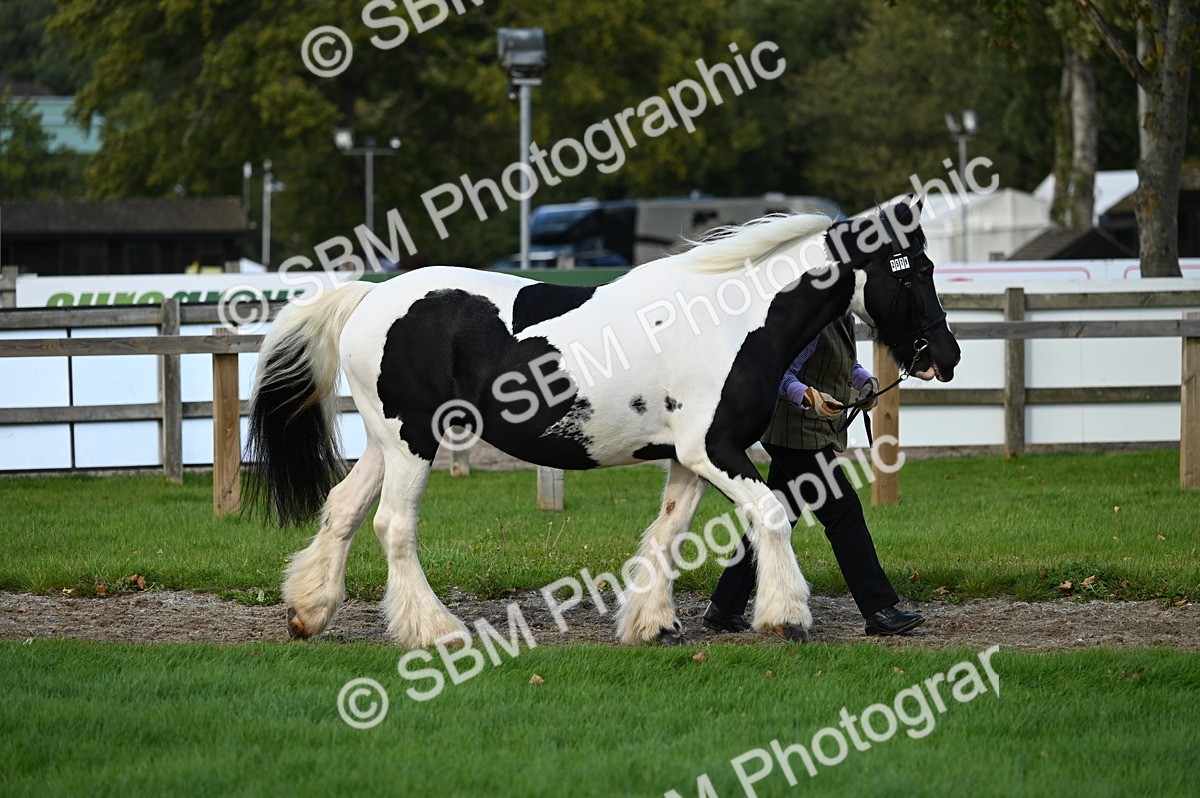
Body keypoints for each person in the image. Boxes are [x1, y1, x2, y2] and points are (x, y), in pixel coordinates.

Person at [703, 314, 924, 637]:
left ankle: (724, 606)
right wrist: (808, 396)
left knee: (775, 516)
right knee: (843, 512)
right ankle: (879, 609)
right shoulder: (816, 317)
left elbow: (842, 363)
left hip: (802, 434)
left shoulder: (840, 313)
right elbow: (780, 374)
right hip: (796, 435)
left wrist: (864, 380)